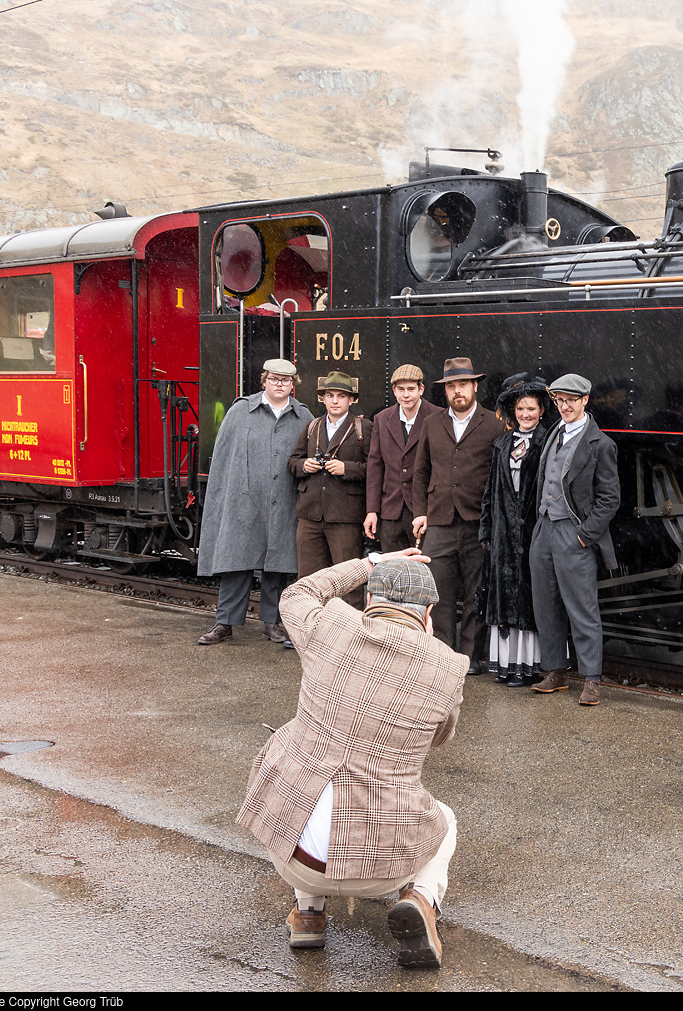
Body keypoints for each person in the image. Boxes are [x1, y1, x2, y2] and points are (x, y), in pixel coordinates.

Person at [237, 550, 464, 968]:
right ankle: (420, 899)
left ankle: (309, 913)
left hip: (293, 856)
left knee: (301, 744)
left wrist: (369, 563)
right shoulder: (448, 667)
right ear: (429, 613)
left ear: (369, 599)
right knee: (444, 820)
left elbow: (299, 592)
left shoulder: (329, 626)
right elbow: (441, 737)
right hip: (381, 871)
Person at [195, 359, 313, 645]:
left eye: (285, 380)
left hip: (284, 500)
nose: (279, 384)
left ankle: (272, 623)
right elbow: (223, 460)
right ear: (264, 381)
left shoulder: (304, 417)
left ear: (293, 384)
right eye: (274, 379)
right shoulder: (240, 411)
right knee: (236, 562)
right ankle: (224, 623)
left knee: (278, 565)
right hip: (243, 502)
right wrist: (223, 499)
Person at [529, 373, 620, 706]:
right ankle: (556, 672)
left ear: (585, 401)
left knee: (582, 608)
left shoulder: (601, 444)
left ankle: (592, 679)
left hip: (573, 531)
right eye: (559, 401)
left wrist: (584, 536)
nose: (564, 406)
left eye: (570, 400)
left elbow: (610, 499)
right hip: (545, 529)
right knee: (546, 606)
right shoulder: (553, 434)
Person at [411, 357, 500, 676]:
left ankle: (471, 656)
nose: (457, 391)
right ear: (445, 390)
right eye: (451, 386)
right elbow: (420, 472)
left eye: (463, 384)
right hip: (439, 520)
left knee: (477, 592)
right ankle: (443, 653)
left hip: (478, 522)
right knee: (438, 593)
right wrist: (420, 513)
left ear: (475, 386)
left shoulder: (494, 424)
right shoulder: (431, 423)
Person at [478, 374, 556, 687]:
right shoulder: (502, 444)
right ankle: (506, 665)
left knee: (528, 597)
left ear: (541, 411)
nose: (526, 414)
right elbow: (491, 489)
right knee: (502, 596)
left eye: (531, 409)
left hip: (531, 531)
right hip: (503, 533)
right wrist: (487, 529)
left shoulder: (547, 442)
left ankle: (529, 666)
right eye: (521, 409)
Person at [289, 371, 370, 611]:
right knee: (308, 581)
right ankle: (307, 626)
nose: (335, 401)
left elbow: (375, 469)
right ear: (323, 398)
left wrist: (348, 468)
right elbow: (292, 462)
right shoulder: (312, 426)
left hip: (345, 517)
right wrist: (304, 465)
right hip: (310, 515)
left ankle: (350, 630)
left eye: (341, 396)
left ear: (351, 400)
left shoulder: (363, 428)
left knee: (348, 582)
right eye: (330, 395)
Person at [365, 364, 443, 553]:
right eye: (400, 389)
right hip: (391, 510)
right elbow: (375, 466)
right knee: (394, 567)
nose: (406, 395)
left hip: (425, 510)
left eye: (411, 389)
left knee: (424, 565)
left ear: (421, 389)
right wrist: (372, 510)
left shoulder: (438, 416)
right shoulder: (382, 419)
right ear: (394, 391)